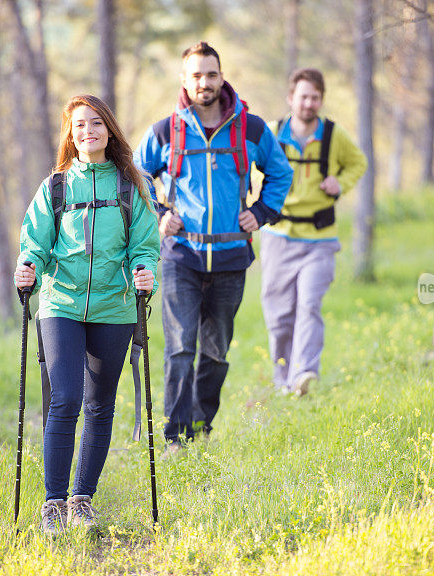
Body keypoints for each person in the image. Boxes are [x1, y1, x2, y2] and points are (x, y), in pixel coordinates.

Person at [14, 94, 161, 535]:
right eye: (79, 125)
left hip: (112, 309)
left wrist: (144, 270)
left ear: (109, 130)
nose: (88, 131)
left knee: (100, 405)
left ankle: (83, 500)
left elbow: (145, 244)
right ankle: (53, 503)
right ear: (70, 133)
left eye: (96, 123)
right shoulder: (55, 187)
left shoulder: (129, 186)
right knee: (65, 399)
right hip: (60, 304)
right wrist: (28, 268)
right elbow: (35, 242)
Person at [135, 41, 293, 449]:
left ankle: (201, 427)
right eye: (196, 75)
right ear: (184, 81)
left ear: (221, 77)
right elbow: (135, 173)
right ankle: (175, 438)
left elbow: (280, 173)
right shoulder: (166, 131)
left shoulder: (251, 128)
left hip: (230, 259)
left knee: (216, 352)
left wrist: (260, 213)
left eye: (210, 74)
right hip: (181, 257)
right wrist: (159, 214)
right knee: (180, 347)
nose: (204, 82)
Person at [261, 68, 368, 396]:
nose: (309, 103)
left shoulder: (334, 136)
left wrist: (340, 184)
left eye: (315, 97)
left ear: (321, 100)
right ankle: (283, 380)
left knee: (308, 305)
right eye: (303, 96)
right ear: (291, 98)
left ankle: (303, 374)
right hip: (279, 236)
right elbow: (246, 162)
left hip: (320, 240)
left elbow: (357, 163)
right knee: (280, 316)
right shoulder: (272, 132)